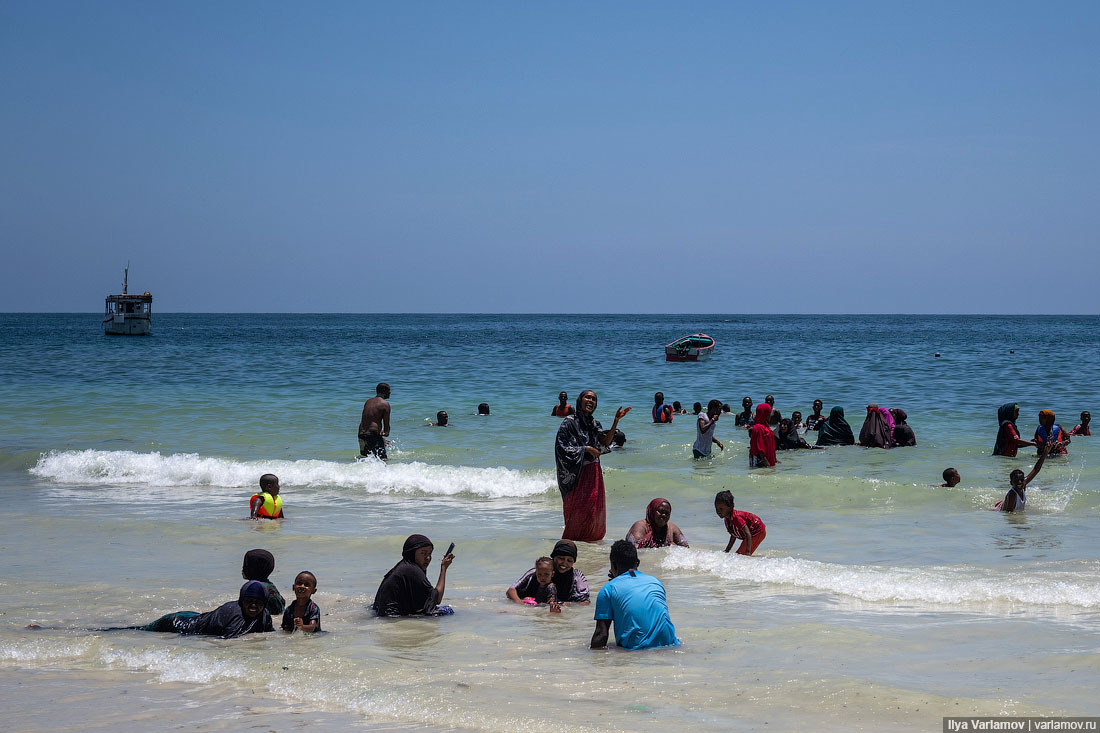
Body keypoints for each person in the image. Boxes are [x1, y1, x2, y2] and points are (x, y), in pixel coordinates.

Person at [554, 390, 630, 542]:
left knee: (593, 510)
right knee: (579, 511)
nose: (590, 401)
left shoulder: (595, 423)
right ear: (580, 400)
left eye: (594, 399)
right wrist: (586, 449)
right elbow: (560, 448)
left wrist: (616, 421)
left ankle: (590, 544)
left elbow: (606, 442)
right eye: (587, 397)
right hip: (578, 474)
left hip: (594, 472)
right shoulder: (569, 422)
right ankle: (572, 542)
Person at [590, 540, 680, 651]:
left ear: (613, 565)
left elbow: (601, 635)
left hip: (637, 652)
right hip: (670, 646)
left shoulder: (609, 589)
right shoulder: (655, 582)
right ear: (637, 563)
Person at [137, 581, 274, 638]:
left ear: (265, 603)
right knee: (138, 631)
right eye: (249, 601)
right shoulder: (234, 615)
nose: (253, 606)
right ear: (241, 600)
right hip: (179, 624)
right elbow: (225, 643)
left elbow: (269, 633)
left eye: (258, 603)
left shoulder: (265, 615)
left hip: (195, 616)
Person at [372, 534, 455, 617]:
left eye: (430, 553)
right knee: (449, 610)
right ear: (411, 553)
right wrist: (444, 568)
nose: (428, 558)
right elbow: (437, 599)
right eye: (423, 553)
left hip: (384, 616)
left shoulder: (403, 566)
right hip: (393, 619)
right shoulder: (412, 570)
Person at [997, 440, 1053, 511]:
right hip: (999, 509)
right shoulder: (1012, 495)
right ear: (1011, 483)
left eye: (1021, 480)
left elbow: (1036, 469)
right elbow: (1008, 515)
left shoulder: (1023, 484)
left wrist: (1045, 452)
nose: (1020, 482)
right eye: (1016, 481)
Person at [714, 490, 766, 555]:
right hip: (751, 533)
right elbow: (733, 535)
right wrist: (727, 551)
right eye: (717, 509)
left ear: (730, 506)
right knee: (738, 555)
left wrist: (747, 553)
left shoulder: (736, 518)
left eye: (721, 509)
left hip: (758, 531)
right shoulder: (727, 519)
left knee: (740, 555)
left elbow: (747, 534)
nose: (718, 511)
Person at [243, 549, 285, 616]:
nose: (242, 569)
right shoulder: (269, 585)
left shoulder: (255, 588)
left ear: (253, 569)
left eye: (246, 566)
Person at [549, 539, 590, 604]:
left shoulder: (577, 577)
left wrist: (566, 605)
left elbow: (585, 602)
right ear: (554, 557)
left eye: (569, 560)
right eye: (561, 558)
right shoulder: (539, 572)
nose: (564, 563)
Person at [358, 382, 391, 460]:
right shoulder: (385, 404)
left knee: (365, 459)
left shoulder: (368, 401)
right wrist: (385, 433)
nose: (390, 393)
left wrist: (380, 439)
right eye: (389, 391)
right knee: (383, 460)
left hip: (361, 434)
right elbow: (386, 427)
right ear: (384, 390)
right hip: (372, 434)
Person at [748, 403, 777, 468]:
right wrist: (765, 461)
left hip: (765, 458)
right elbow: (759, 447)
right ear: (764, 414)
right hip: (759, 458)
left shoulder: (766, 426)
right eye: (769, 413)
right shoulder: (757, 428)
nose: (770, 415)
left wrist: (774, 459)